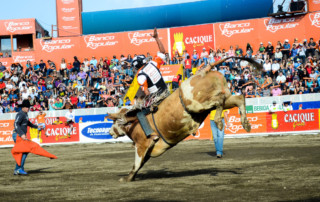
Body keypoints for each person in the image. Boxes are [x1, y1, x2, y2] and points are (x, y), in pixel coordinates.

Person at [12, 100, 40, 175]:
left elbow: (28, 123)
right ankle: (19, 169)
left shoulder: (25, 114)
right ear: (23, 107)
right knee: (24, 152)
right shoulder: (20, 114)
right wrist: (21, 134)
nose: (28, 108)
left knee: (23, 152)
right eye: (26, 107)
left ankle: (18, 169)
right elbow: (16, 124)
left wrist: (37, 126)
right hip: (18, 135)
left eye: (28, 107)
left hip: (20, 135)